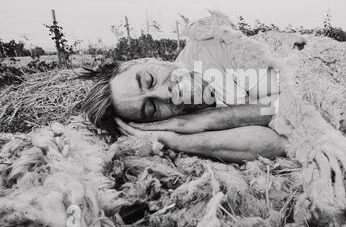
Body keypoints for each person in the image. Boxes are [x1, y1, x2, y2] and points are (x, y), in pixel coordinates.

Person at [80, 34, 286, 163]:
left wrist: (207, 120)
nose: (164, 94)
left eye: (150, 79)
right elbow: (279, 143)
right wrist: (177, 140)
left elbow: (290, 108)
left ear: (144, 60)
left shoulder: (209, 48)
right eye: (152, 109)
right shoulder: (175, 129)